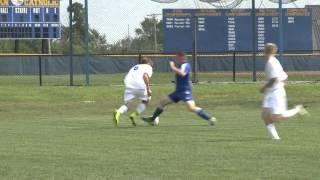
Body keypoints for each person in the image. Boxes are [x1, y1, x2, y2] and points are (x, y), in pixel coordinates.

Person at [142, 52, 216, 125]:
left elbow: (182, 73)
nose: (176, 59)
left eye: (177, 57)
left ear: (182, 57)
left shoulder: (185, 65)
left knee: (191, 108)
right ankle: (153, 118)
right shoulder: (182, 65)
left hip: (184, 92)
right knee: (162, 103)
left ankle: (210, 118)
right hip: (178, 92)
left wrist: (172, 67)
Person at [260, 43, 308, 140]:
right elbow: (285, 76)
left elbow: (274, 79)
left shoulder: (272, 63)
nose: (263, 51)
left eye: (264, 49)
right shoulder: (272, 61)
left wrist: (264, 87)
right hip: (270, 92)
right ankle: (275, 138)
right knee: (265, 115)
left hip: (276, 92)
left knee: (277, 117)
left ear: (266, 51)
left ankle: (298, 109)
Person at [113, 57, 153, 127]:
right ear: (148, 63)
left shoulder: (135, 67)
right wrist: (148, 88)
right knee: (147, 100)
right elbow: (145, 76)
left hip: (129, 86)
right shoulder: (148, 67)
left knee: (128, 104)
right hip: (140, 86)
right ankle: (134, 115)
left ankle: (118, 112)